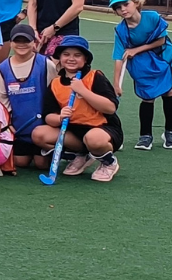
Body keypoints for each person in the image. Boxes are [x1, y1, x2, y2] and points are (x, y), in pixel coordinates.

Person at [30, 36, 122, 182]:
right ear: (60, 58)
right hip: (74, 132)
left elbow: (110, 108)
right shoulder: (55, 83)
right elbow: (48, 116)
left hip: (102, 129)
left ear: (85, 59)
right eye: (66, 54)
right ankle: (81, 155)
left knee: (93, 139)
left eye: (77, 55)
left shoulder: (95, 76)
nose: (71, 59)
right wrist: (60, 117)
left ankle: (109, 162)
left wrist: (83, 91)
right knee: (39, 134)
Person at [109, 0, 172, 150]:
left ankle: (171, 132)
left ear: (135, 2)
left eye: (126, 4)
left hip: (163, 57)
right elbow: (118, 58)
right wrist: (116, 84)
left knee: (168, 92)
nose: (123, 9)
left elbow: (161, 41)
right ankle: (145, 136)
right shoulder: (121, 30)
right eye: (118, 7)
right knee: (148, 96)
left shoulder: (152, 17)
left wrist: (136, 50)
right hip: (143, 64)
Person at [0, 24, 55, 169]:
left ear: (34, 42)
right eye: (17, 41)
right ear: (11, 43)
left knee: (42, 164)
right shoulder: (4, 68)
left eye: (26, 41)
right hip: (19, 128)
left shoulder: (46, 64)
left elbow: (54, 94)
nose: (22, 45)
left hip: (42, 128)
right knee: (20, 162)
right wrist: (8, 125)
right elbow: (1, 100)